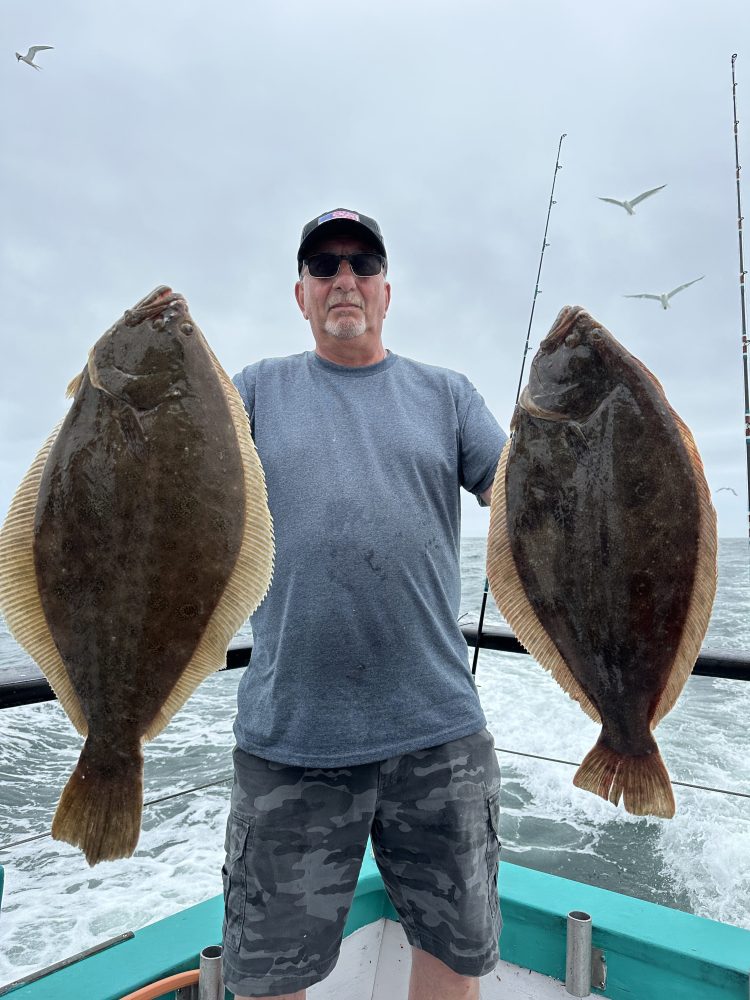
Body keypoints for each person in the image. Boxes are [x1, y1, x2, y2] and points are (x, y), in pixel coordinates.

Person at [223, 208, 508, 1000]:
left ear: (387, 291)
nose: (343, 279)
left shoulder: (448, 395)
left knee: (455, 955)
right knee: (269, 977)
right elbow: (185, 492)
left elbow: (521, 491)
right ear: (301, 295)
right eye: (324, 266)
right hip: (291, 738)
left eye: (362, 264)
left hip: (437, 733)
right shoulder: (252, 389)